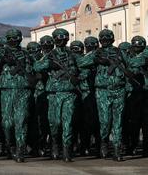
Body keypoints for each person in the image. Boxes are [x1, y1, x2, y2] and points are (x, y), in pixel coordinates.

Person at [0, 29, 35, 163]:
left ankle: (20, 149)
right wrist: (2, 55)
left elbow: (36, 68)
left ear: (20, 39)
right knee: (7, 123)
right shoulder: (2, 52)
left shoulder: (26, 54)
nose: (14, 40)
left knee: (21, 120)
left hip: (24, 90)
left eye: (16, 38)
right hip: (7, 90)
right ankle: (10, 144)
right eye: (11, 38)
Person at [78, 29, 126, 161]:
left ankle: (117, 149)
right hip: (102, 91)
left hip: (118, 90)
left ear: (112, 38)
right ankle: (104, 142)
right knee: (105, 121)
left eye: (107, 37)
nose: (105, 39)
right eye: (102, 37)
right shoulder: (96, 53)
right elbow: (81, 63)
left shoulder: (119, 52)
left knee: (118, 121)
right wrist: (97, 59)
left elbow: (131, 65)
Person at [34, 28, 79, 162]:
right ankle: (54, 143)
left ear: (66, 40)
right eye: (58, 39)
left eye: (63, 39)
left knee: (68, 122)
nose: (61, 41)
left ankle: (66, 150)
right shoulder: (49, 55)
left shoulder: (72, 54)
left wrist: (77, 77)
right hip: (53, 94)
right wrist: (49, 63)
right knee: (55, 123)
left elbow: (83, 66)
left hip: (69, 93)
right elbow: (36, 66)